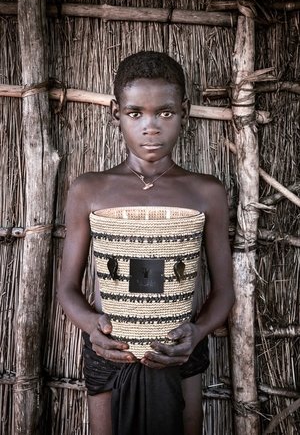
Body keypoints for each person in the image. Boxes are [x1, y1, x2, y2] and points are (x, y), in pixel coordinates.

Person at [57, 51, 234, 435]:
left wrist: (197, 333)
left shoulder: (206, 192)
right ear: (114, 112)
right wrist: (92, 327)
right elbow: (68, 288)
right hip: (110, 353)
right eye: (136, 113)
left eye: (165, 113)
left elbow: (223, 291)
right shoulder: (90, 189)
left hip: (177, 353)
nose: (151, 127)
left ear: (184, 112)